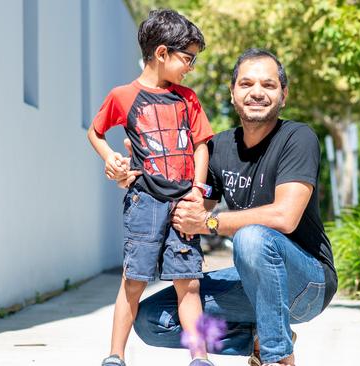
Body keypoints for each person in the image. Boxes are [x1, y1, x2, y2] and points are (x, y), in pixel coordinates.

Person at [119, 49, 338, 366]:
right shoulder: (217, 147)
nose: (257, 93)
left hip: (306, 284)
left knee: (251, 238)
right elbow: (189, 209)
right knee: (153, 320)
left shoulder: (298, 137)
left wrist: (210, 223)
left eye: (269, 85)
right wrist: (139, 177)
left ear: (283, 95)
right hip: (253, 280)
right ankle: (263, 336)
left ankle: (278, 358)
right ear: (233, 94)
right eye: (246, 84)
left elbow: (285, 217)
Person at [87, 9, 215, 366]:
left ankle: (200, 357)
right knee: (134, 279)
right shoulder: (123, 96)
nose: (191, 67)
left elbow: (202, 143)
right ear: (162, 53)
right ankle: (115, 355)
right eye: (187, 58)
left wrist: (197, 190)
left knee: (188, 281)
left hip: (182, 205)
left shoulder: (187, 99)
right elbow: (95, 131)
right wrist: (110, 158)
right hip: (143, 201)